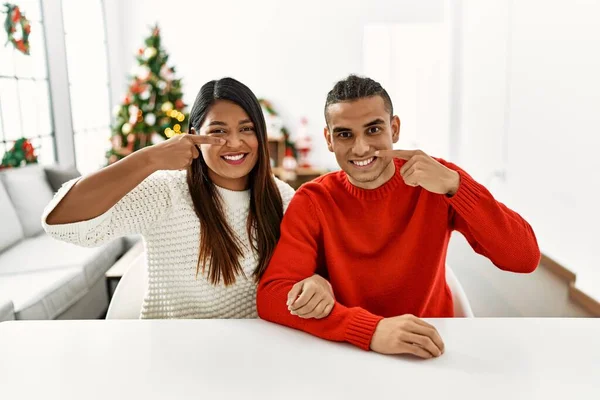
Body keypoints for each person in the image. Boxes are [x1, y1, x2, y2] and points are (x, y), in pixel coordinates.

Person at [257, 74, 540, 358]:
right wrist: (371, 330)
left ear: (394, 128)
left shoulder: (438, 179)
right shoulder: (314, 199)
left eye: (373, 130)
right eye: (345, 134)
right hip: (351, 350)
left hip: (432, 344)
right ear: (329, 139)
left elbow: (524, 258)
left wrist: (458, 186)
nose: (361, 148)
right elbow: (271, 296)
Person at [43, 77, 334, 319]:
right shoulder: (166, 192)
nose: (234, 142)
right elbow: (60, 221)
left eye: (246, 129)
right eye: (218, 131)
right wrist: (149, 159)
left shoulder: (282, 197)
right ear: (194, 136)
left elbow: (311, 271)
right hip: (172, 351)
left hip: (255, 353)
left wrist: (319, 281)